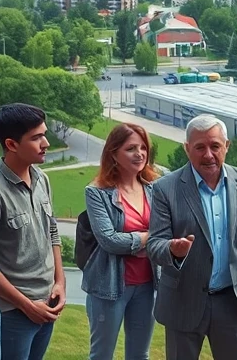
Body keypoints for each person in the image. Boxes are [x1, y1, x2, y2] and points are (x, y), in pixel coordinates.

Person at [147, 114, 237, 360]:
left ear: (227, 146)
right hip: (183, 301)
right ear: (186, 149)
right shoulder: (165, 188)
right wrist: (173, 250)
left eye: (215, 146)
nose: (208, 155)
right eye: (199, 147)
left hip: (232, 302)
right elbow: (154, 244)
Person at [0, 104, 64, 360]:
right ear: (11, 144)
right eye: (36, 138)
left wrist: (60, 283)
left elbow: (51, 231)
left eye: (44, 134)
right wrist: (26, 305)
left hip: (47, 304)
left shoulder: (42, 179)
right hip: (13, 314)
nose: (45, 143)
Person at [82, 123, 161, 360]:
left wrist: (135, 243)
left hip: (147, 284)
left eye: (143, 148)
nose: (139, 154)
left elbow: (167, 230)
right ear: (113, 153)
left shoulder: (154, 188)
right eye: (131, 149)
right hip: (109, 287)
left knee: (140, 355)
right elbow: (108, 240)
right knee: (102, 355)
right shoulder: (97, 192)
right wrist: (147, 238)